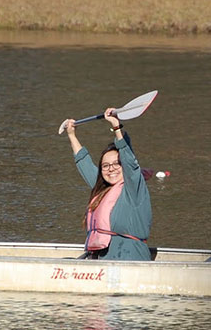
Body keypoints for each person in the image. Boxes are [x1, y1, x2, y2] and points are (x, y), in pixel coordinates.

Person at [60, 110, 152, 261]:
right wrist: (71, 135)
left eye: (117, 164)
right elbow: (85, 164)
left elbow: (130, 162)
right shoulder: (103, 189)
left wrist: (116, 127)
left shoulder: (134, 188)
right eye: (105, 166)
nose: (111, 169)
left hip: (130, 257)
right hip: (103, 259)